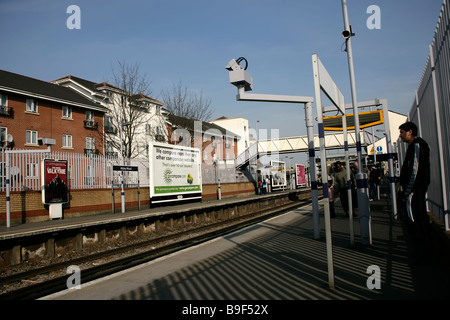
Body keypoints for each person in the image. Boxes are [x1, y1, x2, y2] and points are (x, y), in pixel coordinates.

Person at [399, 121, 431, 266]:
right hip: (415, 191)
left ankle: (423, 255)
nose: (400, 135)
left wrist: (407, 191)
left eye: (402, 132)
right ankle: (422, 253)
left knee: (415, 222)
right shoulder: (416, 146)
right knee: (418, 221)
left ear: (409, 132)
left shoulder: (417, 146)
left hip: (413, 192)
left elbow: (415, 171)